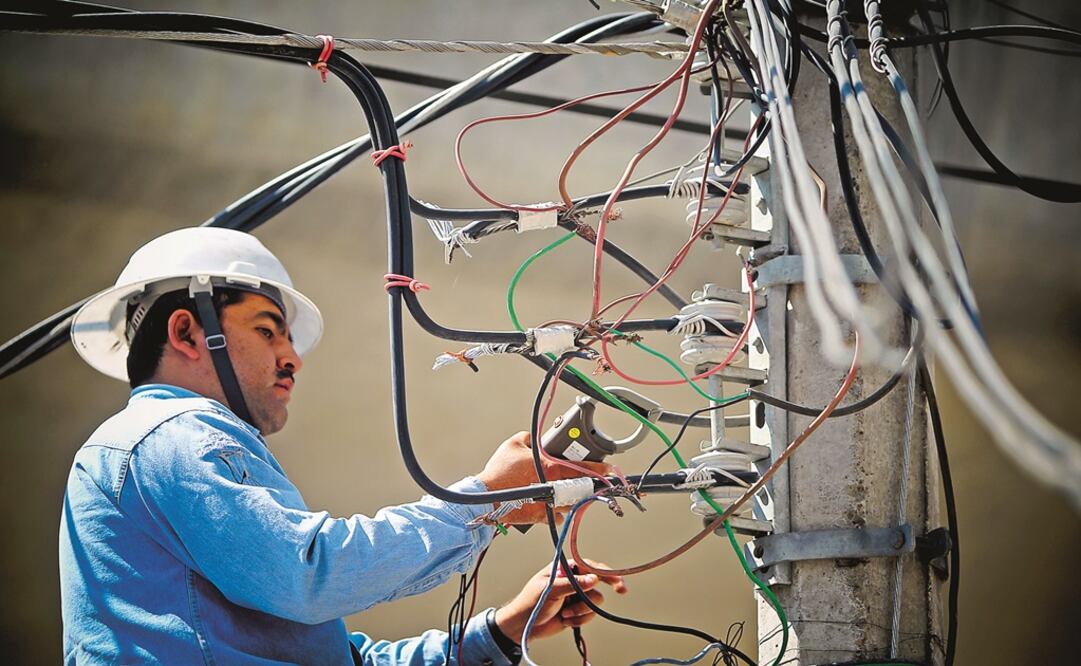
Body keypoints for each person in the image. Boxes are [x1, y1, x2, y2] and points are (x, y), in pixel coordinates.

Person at [60, 227, 626, 665]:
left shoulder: (171, 453)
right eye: (266, 330)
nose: (292, 358)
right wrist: (483, 498)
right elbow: (308, 577)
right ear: (187, 332)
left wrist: (501, 630)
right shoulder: (171, 434)